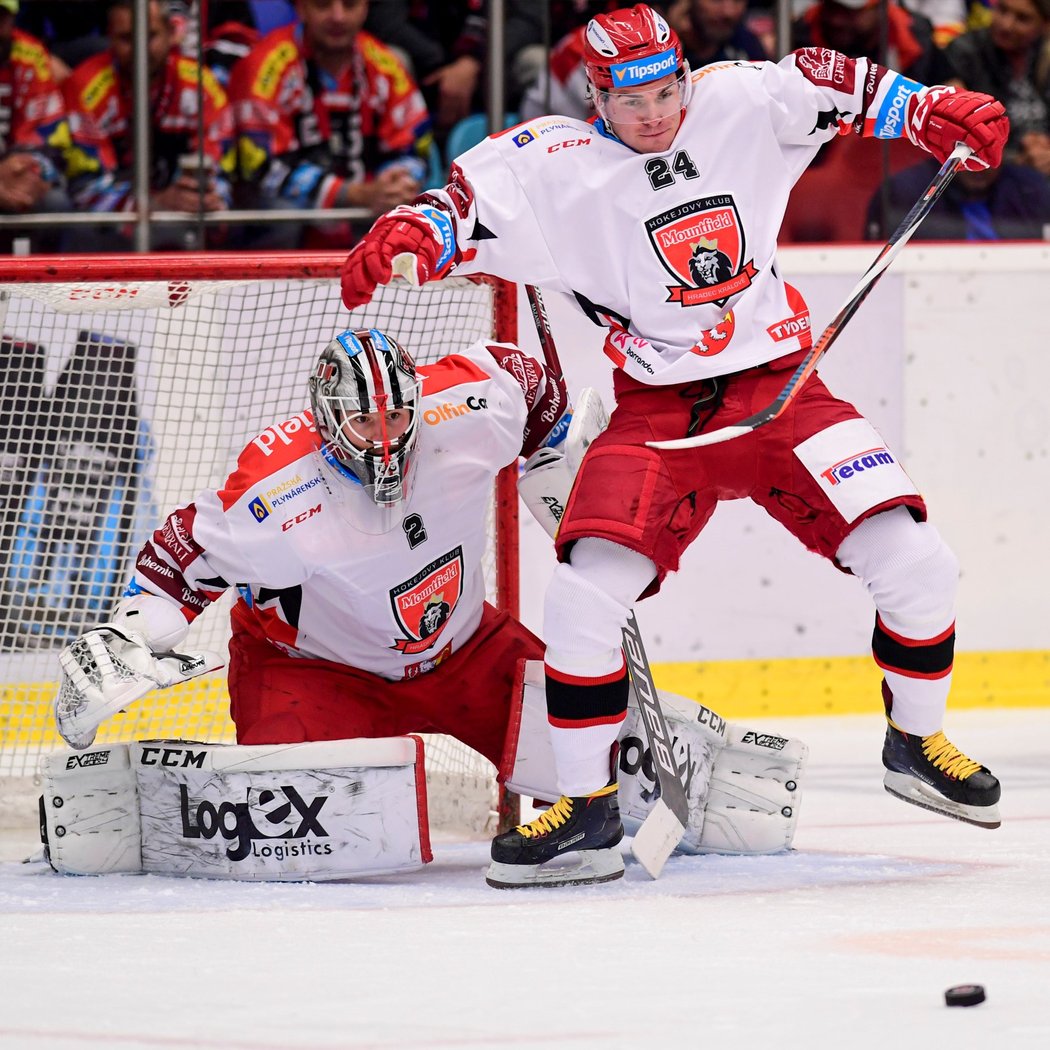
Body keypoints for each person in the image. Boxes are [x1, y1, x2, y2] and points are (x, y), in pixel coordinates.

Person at [341, 3, 1009, 887]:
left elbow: (846, 82)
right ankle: (585, 809)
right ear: (595, 96)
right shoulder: (547, 161)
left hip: (784, 387)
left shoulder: (743, 100)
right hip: (658, 413)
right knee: (582, 601)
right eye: (629, 98)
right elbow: (457, 210)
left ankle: (916, 740)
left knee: (921, 564)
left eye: (665, 90)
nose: (653, 112)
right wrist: (409, 234)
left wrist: (931, 110)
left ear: (685, 75)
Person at [227, 0, 433, 248]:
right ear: (302, 8)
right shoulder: (264, 68)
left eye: (349, 5)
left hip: (369, 202)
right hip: (287, 212)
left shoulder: (386, 64)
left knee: (412, 207)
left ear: (365, 7)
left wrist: (397, 183)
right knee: (282, 214)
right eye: (323, 5)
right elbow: (261, 167)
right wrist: (355, 194)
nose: (338, 17)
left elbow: (414, 147)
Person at [61, 0, 235, 251]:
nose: (140, 49)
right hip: (112, 233)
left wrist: (208, 197)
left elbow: (221, 174)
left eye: (150, 36)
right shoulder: (85, 87)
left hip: (183, 219)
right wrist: (156, 204)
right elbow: (85, 190)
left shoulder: (202, 86)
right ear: (109, 38)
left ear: (170, 33)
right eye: (127, 38)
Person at [944, 0, 1050, 176]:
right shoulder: (965, 52)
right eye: (1002, 10)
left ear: (1046, 25)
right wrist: (1017, 159)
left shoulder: (1044, 55)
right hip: (989, 171)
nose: (1006, 24)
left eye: (1022, 18)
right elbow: (957, 134)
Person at [0, 0, 72, 253]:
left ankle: (45, 288)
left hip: (13, 179)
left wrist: (32, 168)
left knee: (55, 202)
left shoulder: (30, 55)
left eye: (1, 17)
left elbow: (52, 142)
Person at [865, 155, 1050, 239]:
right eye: (970, 154)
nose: (978, 166)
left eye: (986, 154)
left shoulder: (1030, 188)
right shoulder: (905, 192)